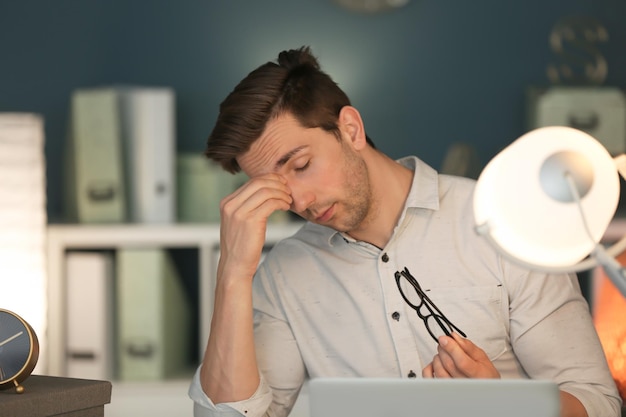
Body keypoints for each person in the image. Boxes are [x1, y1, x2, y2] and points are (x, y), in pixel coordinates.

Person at [188, 46, 622, 417]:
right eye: (276, 189)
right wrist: (232, 274)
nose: (299, 203)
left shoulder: (504, 224)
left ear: (351, 129)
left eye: (301, 167)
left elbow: (597, 403)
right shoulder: (285, 275)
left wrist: (502, 404)